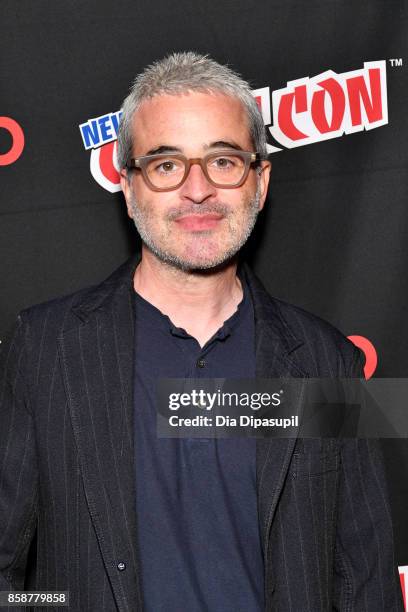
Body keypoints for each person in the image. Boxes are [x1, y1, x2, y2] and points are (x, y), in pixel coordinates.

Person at [0, 52, 403, 612]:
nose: (197, 190)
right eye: (166, 165)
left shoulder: (323, 358)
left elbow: (367, 582)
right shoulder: (45, 346)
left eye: (223, 162)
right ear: (128, 184)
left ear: (259, 181)